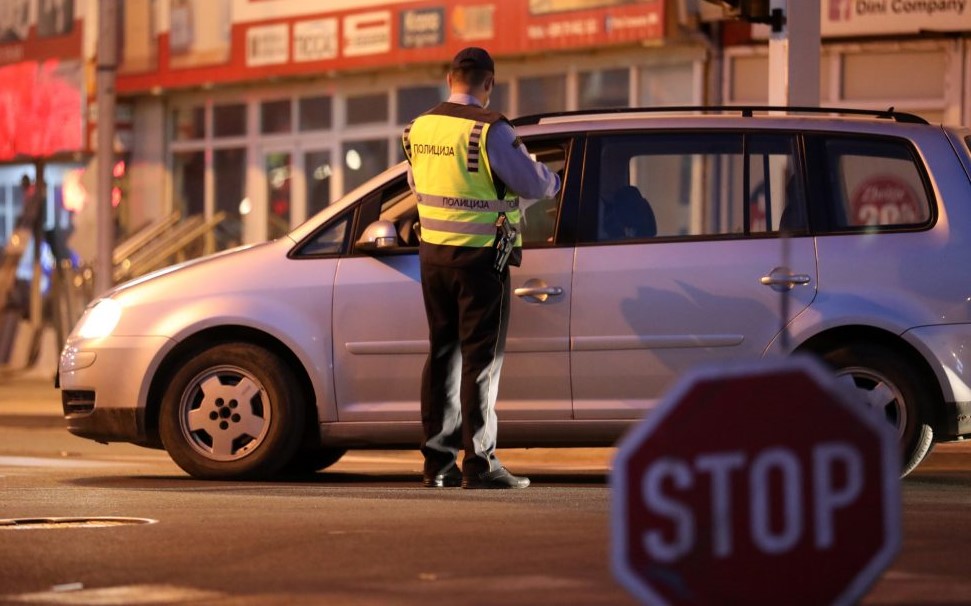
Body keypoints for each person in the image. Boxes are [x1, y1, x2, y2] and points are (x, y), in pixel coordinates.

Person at [402, 47, 561, 489]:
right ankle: (481, 464)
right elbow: (531, 182)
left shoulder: (419, 128)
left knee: (442, 355)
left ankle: (437, 464)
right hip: (480, 258)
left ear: (450, 79)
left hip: (433, 257)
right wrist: (553, 180)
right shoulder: (489, 129)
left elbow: (418, 184)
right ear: (488, 83)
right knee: (481, 360)